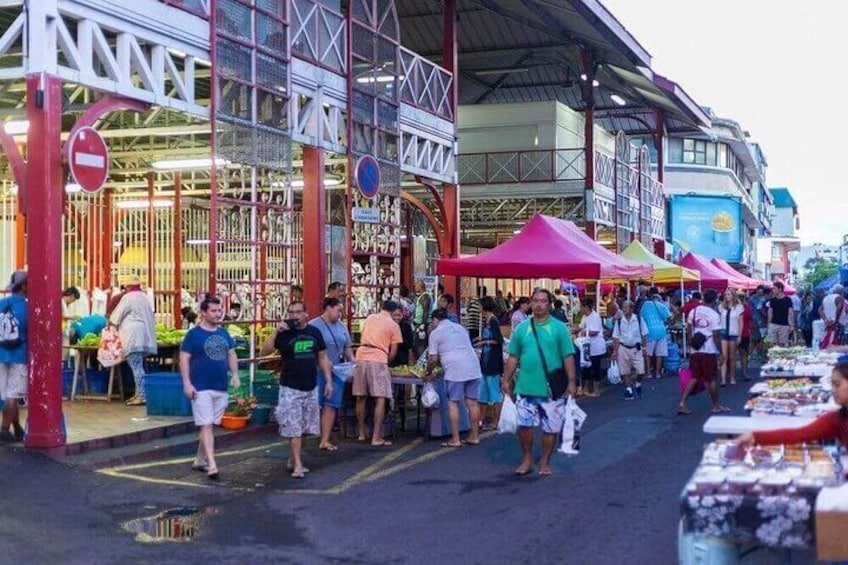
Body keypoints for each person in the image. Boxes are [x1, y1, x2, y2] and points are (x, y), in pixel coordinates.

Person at [502, 288, 577, 477]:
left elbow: (568, 357)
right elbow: (513, 356)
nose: (539, 304)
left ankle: (545, 461)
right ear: (531, 303)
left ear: (549, 304)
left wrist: (572, 382)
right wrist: (505, 380)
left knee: (550, 428)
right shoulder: (522, 328)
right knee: (524, 426)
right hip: (526, 387)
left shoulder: (559, 328)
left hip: (552, 388)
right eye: (535, 300)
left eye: (543, 301)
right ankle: (527, 458)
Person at [259, 300, 333, 478]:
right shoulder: (284, 334)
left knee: (305, 427)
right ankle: (298, 465)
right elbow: (264, 352)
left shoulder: (314, 332)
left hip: (310, 385)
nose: (295, 316)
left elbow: (322, 357)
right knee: (293, 427)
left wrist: (328, 381)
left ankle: (294, 458)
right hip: (290, 387)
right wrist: (277, 331)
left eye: (298, 312)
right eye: (291, 312)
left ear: (305, 314)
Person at [179, 295, 240, 480]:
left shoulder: (223, 333)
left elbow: (231, 354)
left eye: (219, 310)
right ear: (203, 313)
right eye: (213, 311)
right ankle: (212, 464)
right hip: (201, 387)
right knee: (206, 426)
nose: (217, 314)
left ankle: (200, 459)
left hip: (220, 386)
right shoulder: (193, 335)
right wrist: (187, 383)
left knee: (210, 425)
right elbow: (184, 358)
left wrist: (235, 374)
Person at [735, 360, 848, 448]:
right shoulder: (836, 419)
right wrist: (756, 437)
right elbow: (799, 434)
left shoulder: (837, 419)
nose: (833, 390)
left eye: (837, 384)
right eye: (832, 385)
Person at [426, 308, 482, 448]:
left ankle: (455, 439)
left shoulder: (435, 333)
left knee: (453, 403)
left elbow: (433, 359)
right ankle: (474, 436)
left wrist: (429, 372)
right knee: (473, 403)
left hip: (455, 369)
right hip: (473, 366)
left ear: (435, 319)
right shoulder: (461, 328)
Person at [353, 300, 402, 447]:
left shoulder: (370, 318)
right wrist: (385, 360)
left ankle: (361, 433)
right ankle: (376, 437)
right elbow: (393, 352)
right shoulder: (394, 325)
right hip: (379, 358)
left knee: (361, 396)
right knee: (380, 398)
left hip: (361, 356)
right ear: (393, 312)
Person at [308, 297, 354, 452]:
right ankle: (306, 434)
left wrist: (352, 364)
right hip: (318, 372)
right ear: (328, 308)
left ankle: (325, 439)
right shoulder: (314, 326)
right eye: (338, 310)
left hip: (338, 371)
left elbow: (347, 347)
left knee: (331, 405)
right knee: (314, 403)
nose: (340, 314)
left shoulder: (341, 327)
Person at [679, 289, 730, 415]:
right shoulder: (714, 315)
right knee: (712, 378)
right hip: (708, 349)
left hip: (695, 349)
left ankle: (682, 402)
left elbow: (689, 329)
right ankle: (716, 405)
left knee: (695, 376)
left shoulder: (694, 311)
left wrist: (691, 343)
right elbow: (716, 336)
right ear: (714, 300)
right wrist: (721, 352)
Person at [110, 275, 157, 406]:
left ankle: (141, 396)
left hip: (132, 335)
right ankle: (138, 394)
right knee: (138, 365)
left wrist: (111, 325)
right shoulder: (145, 297)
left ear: (127, 286)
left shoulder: (128, 297)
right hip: (144, 335)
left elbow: (116, 316)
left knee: (136, 367)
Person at [0, 271, 27, 443]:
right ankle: (3, 431)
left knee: (6, 396)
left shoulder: (2, 303)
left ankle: (16, 428)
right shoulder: (27, 307)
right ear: (24, 286)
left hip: (0, 354)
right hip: (18, 355)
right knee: (12, 395)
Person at [475, 296, 504, 431]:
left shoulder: (493, 321)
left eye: (480, 305)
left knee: (494, 391)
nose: (478, 308)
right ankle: (482, 418)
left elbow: (499, 340)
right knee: (483, 391)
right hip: (485, 360)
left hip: (492, 360)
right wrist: (481, 338)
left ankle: (496, 420)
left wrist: (484, 342)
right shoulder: (486, 321)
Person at [612, 300, 648, 401]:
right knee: (625, 370)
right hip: (623, 348)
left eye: (625, 307)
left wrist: (645, 348)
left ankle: (638, 384)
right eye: (623, 307)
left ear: (632, 309)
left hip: (636, 348)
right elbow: (616, 337)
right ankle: (629, 390)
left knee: (641, 370)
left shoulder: (638, 319)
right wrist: (615, 351)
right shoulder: (619, 321)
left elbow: (644, 334)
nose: (623, 309)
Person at [639, 288, 671, 379]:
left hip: (649, 331)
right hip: (661, 331)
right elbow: (669, 317)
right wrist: (666, 324)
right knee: (659, 353)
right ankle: (658, 373)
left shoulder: (645, 305)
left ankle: (648, 373)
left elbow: (641, 317)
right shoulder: (661, 305)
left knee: (648, 354)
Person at [578, 297, 607, 397]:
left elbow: (595, 332)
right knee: (586, 367)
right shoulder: (584, 317)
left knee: (596, 369)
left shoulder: (595, 316)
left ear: (586, 307)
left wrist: (583, 332)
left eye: (581, 307)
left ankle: (596, 390)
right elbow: (580, 327)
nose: (580, 309)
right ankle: (585, 389)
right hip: (587, 347)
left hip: (596, 347)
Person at [717, 288, 745, 387]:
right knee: (724, 356)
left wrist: (739, 335)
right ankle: (723, 379)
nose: (727, 296)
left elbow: (741, 322)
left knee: (732, 357)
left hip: (733, 333)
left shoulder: (739, 307)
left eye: (729, 294)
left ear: (733, 295)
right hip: (723, 333)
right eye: (726, 294)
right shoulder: (721, 307)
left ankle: (732, 377)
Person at [766, 281, 794, 348]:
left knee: (782, 345)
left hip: (784, 325)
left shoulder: (787, 300)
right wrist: (768, 324)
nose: (773, 290)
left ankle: (781, 358)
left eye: (774, 288)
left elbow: (790, 312)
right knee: (771, 344)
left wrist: (792, 325)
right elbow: (770, 312)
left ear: (780, 289)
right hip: (773, 324)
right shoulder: (772, 300)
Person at [412, 280, 432, 357]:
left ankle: (421, 361)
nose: (415, 287)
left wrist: (422, 325)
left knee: (420, 343)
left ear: (420, 287)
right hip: (419, 322)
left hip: (422, 324)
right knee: (418, 343)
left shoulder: (425, 296)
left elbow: (425, 311)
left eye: (416, 286)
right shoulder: (421, 296)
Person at [737, 291, 754, 381]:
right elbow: (751, 322)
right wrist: (752, 332)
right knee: (744, 354)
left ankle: (730, 374)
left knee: (733, 355)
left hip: (736, 334)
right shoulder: (747, 308)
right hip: (744, 334)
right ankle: (744, 373)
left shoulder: (732, 308)